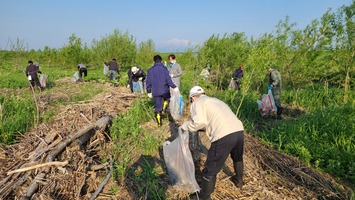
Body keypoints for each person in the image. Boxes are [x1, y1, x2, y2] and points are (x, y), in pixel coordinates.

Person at [180, 86, 245, 199]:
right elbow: (211, 121)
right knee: (237, 157)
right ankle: (239, 180)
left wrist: (186, 126)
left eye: (191, 100)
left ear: (193, 97)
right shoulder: (215, 100)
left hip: (223, 135)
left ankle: (204, 197)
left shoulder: (198, 102)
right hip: (239, 131)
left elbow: (199, 122)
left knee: (210, 168)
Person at [146, 55, 179, 127]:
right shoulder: (164, 69)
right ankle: (164, 107)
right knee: (167, 99)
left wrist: (149, 91)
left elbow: (148, 82)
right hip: (165, 90)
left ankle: (159, 123)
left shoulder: (150, 70)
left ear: (154, 61)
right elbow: (168, 80)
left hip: (156, 92)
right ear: (161, 61)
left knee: (157, 107)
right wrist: (174, 86)